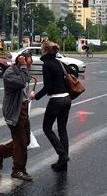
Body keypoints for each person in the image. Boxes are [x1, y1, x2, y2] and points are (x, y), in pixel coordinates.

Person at [0, 52, 33, 182]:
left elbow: (25, 80)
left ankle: (1, 151)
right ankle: (18, 170)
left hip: (23, 109)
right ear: (20, 62)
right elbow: (21, 82)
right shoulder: (9, 73)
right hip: (14, 111)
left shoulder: (22, 71)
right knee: (21, 142)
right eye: (28, 64)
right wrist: (23, 67)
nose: (29, 67)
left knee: (25, 140)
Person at [30, 41, 71, 172]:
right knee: (62, 129)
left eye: (42, 49)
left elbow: (47, 87)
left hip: (56, 100)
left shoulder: (47, 64)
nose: (41, 51)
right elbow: (73, 74)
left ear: (46, 51)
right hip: (67, 99)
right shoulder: (60, 62)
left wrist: (35, 96)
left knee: (47, 128)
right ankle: (63, 161)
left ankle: (62, 155)